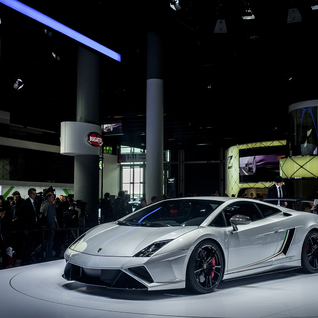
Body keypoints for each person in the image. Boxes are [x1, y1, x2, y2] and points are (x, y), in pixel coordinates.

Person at [16, 188, 38, 265]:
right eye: (32, 193)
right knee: (27, 245)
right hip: (28, 228)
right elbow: (24, 216)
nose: (34, 195)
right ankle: (25, 259)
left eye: (35, 193)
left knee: (30, 244)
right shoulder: (27, 203)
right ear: (28, 194)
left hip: (31, 227)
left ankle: (27, 258)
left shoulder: (32, 202)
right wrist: (25, 228)